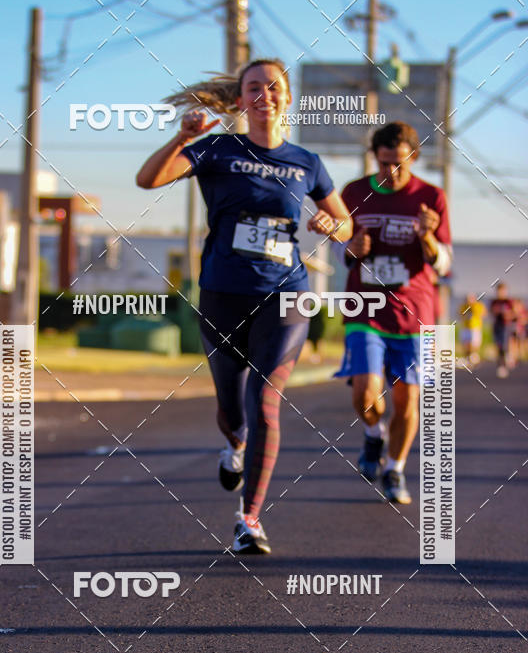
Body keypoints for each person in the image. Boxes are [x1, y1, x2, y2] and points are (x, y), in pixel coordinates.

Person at [136, 58, 352, 553]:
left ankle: (249, 520)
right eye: (254, 87)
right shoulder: (215, 149)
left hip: (288, 293)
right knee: (233, 410)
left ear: (287, 98)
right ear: (240, 100)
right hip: (222, 293)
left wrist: (332, 226)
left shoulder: (307, 162)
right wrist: (180, 138)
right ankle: (234, 446)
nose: (264, 95)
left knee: (266, 404)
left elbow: (348, 226)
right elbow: (147, 181)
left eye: (273, 87)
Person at [333, 121, 452, 504]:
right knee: (365, 394)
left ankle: (396, 470)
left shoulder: (432, 196)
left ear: (414, 157)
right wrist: (353, 248)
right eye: (384, 163)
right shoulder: (353, 192)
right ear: (375, 158)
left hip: (417, 315)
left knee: (407, 401)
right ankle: (373, 436)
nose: (391, 172)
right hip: (365, 308)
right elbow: (337, 251)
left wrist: (427, 237)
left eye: (399, 164)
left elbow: (445, 263)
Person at [490, 281, 515, 377]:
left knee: (504, 345)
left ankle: (503, 365)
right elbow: (491, 311)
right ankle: (501, 364)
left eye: (503, 291)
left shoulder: (508, 302)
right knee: (498, 345)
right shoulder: (494, 302)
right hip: (497, 325)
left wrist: (508, 315)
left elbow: (514, 313)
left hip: (506, 325)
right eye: (499, 291)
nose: (501, 293)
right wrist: (495, 312)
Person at [459, 292, 486, 365]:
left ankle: (473, 358)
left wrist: (473, 307)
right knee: (465, 344)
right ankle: (467, 359)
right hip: (466, 327)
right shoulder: (464, 306)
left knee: (474, 345)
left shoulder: (478, 306)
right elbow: (460, 315)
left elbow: (483, 314)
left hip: (475, 328)